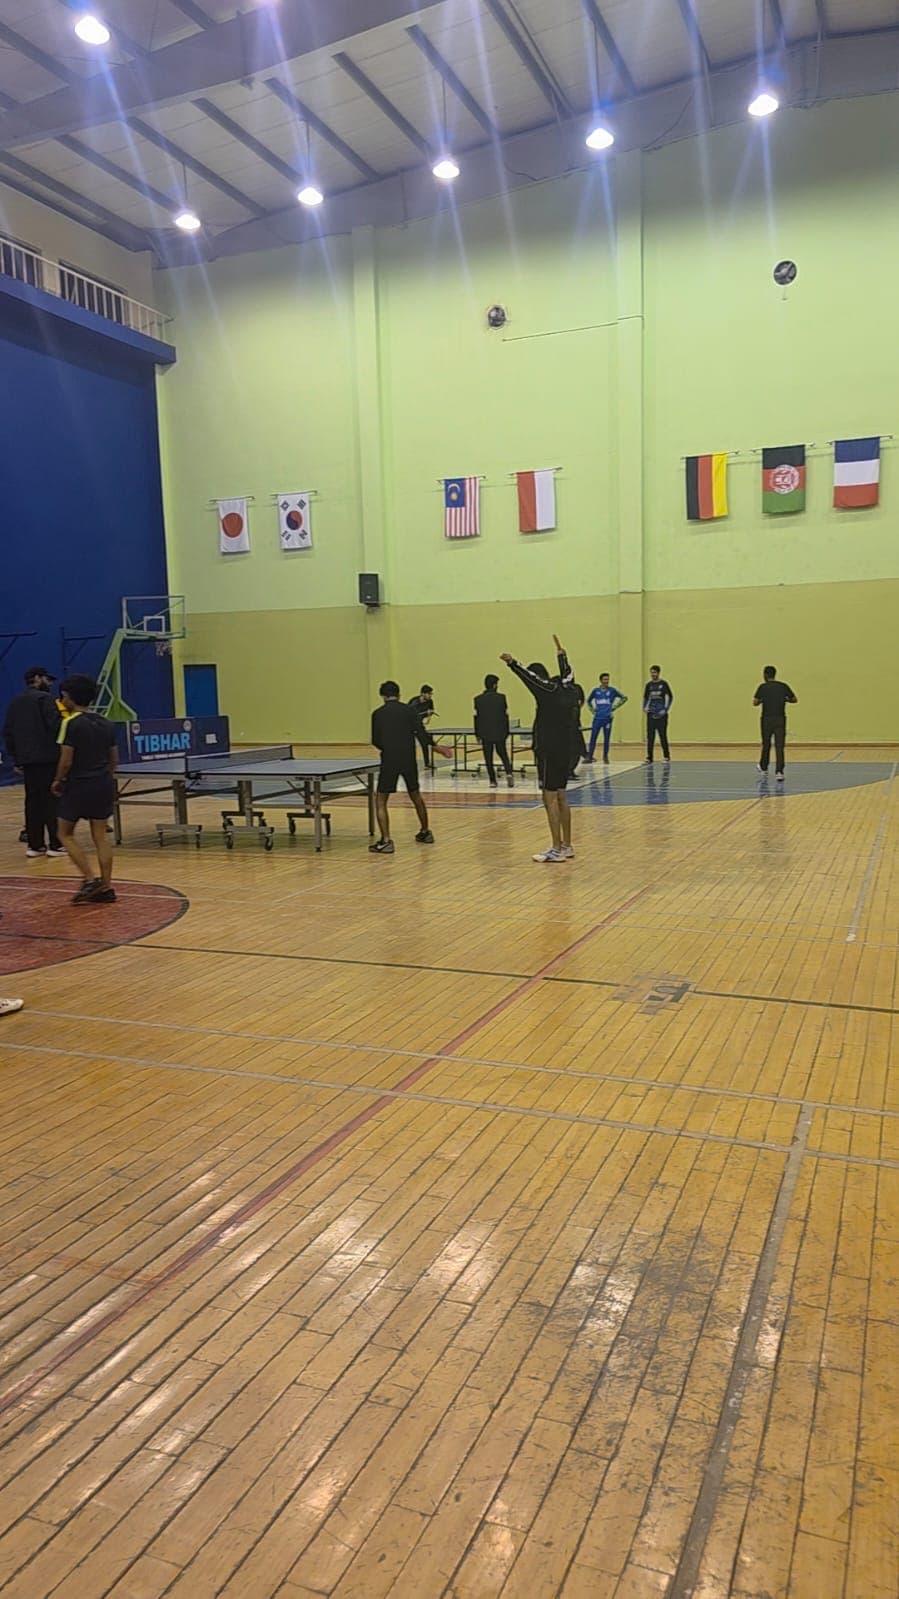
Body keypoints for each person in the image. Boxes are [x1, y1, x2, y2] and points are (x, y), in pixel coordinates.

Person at [501, 634, 577, 863]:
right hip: (566, 749)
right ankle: (567, 845)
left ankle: (555, 848)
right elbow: (568, 673)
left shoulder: (547, 691)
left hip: (548, 750)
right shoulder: (567, 687)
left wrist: (513, 663)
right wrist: (562, 654)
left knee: (549, 798)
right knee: (562, 796)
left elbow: (530, 678)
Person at [51, 675, 119, 904]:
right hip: (103, 783)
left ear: (70, 697)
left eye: (63, 696)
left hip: (79, 784)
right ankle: (107, 887)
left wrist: (58, 780)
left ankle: (89, 879)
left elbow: (66, 760)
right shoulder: (106, 723)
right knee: (100, 836)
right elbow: (114, 759)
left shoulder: (70, 723)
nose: (62, 699)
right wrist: (105, 777)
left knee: (64, 833)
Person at [370, 682, 449, 854]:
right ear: (399, 694)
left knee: (381, 799)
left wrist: (388, 747)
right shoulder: (410, 711)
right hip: (408, 758)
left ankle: (385, 841)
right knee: (415, 795)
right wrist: (435, 746)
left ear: (382, 695)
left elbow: (375, 740)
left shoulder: (378, 714)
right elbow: (421, 732)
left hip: (390, 759)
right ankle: (425, 832)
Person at [3, 666, 64, 858]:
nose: (51, 683)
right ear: (37, 678)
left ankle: (35, 845)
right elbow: (56, 727)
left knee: (33, 803)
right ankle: (56, 844)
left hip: (28, 762)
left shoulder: (16, 702)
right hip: (48, 759)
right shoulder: (45, 699)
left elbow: (8, 732)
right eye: (47, 678)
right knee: (52, 801)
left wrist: (18, 759)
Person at [754, 666, 797, 781]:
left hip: (767, 719)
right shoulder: (783, 686)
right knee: (779, 746)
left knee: (766, 744)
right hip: (780, 718)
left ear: (765, 675)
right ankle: (779, 772)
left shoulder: (762, 687)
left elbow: (755, 702)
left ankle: (764, 768)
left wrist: (763, 700)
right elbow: (794, 699)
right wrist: (785, 699)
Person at [473, 674, 514, 788]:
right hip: (499, 731)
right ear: (495, 685)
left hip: (485, 732)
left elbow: (476, 718)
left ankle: (492, 780)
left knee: (488, 757)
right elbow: (505, 716)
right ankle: (509, 773)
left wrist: (477, 733)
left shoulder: (478, 699)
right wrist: (507, 731)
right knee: (503, 754)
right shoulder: (501, 697)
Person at [585, 673, 628, 763]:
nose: (606, 681)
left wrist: (614, 707)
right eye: (605, 679)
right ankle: (589, 756)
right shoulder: (595, 691)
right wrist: (593, 711)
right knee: (593, 737)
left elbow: (624, 698)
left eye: (607, 679)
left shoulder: (612, 690)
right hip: (597, 718)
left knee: (607, 738)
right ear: (600, 680)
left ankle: (605, 756)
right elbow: (588, 701)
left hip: (607, 718)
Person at [643, 665, 674, 763]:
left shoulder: (664, 684)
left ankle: (666, 756)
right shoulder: (649, 685)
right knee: (650, 736)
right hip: (651, 714)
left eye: (655, 672)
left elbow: (670, 697)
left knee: (662, 735)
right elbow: (645, 697)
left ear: (658, 673)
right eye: (651, 672)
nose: (653, 674)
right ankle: (649, 757)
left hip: (661, 714)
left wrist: (665, 710)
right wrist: (644, 707)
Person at [407, 684, 436, 771]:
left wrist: (429, 714)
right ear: (423, 694)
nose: (430, 696)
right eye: (429, 694)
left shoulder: (430, 702)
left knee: (425, 743)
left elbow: (430, 712)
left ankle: (427, 764)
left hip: (419, 726)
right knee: (409, 746)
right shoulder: (414, 701)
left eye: (431, 694)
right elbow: (408, 713)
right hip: (410, 726)